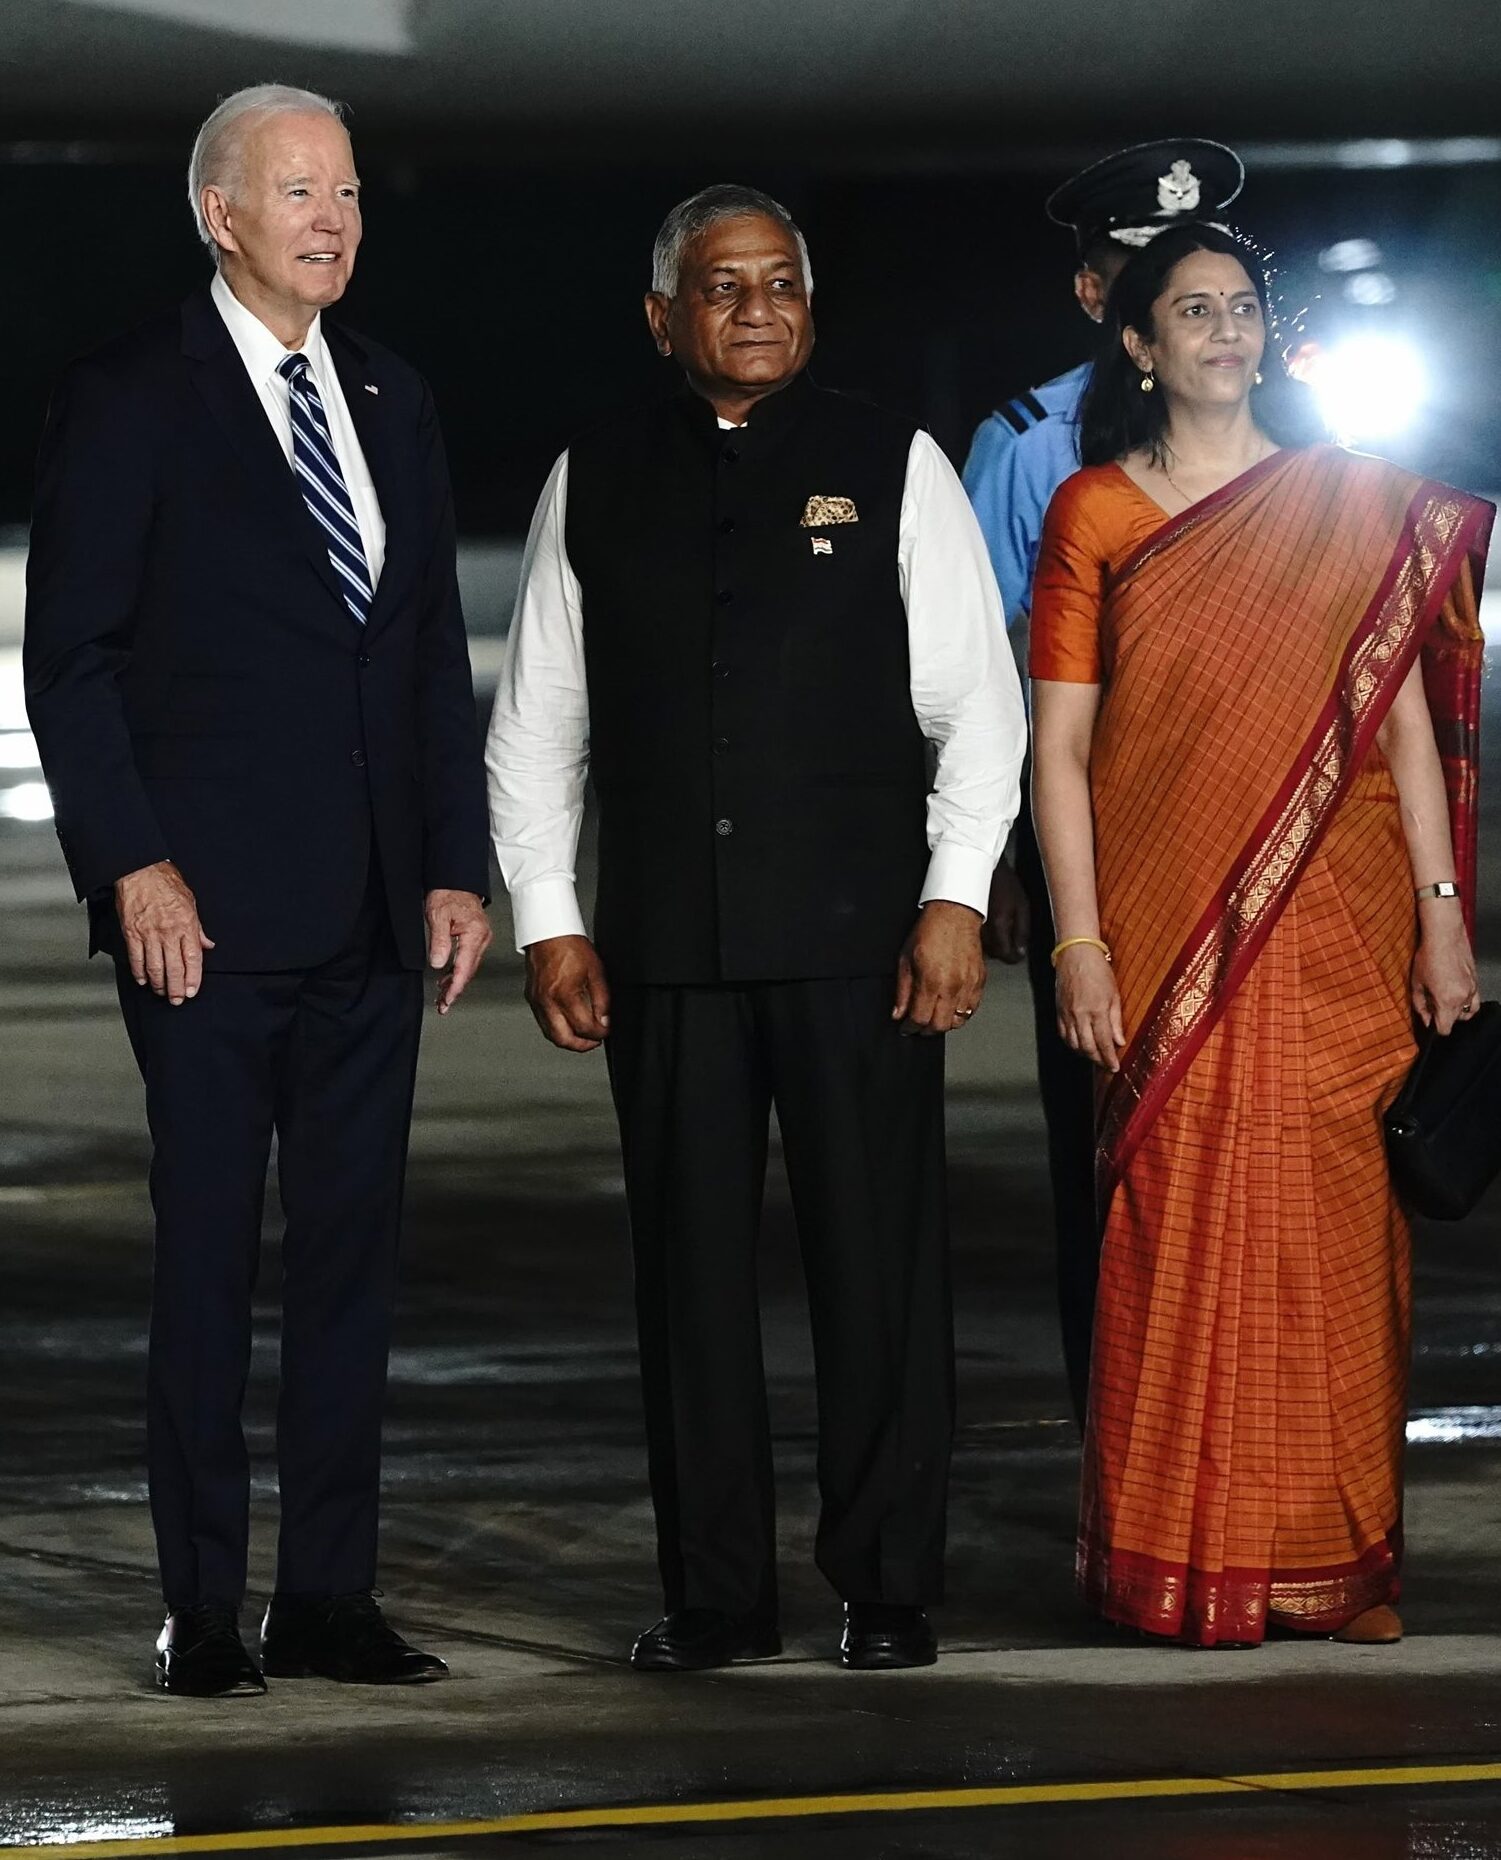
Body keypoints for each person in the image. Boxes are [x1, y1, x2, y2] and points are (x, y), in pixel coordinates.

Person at [487, 184, 1025, 1673]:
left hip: (865, 946)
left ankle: (887, 1583)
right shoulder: (592, 475)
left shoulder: (889, 461)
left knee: (880, 1276)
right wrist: (551, 916)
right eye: (720, 288)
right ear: (661, 317)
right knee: (690, 1287)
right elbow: (539, 725)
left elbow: (979, 712)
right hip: (662, 953)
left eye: (781, 282)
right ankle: (715, 1592)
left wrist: (953, 898)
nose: (757, 308)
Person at [24, 85, 492, 1696]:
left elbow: (426, 649)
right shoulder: (132, 396)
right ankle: (204, 1611)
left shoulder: (391, 394)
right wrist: (131, 860)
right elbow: (70, 658)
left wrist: (454, 865)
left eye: (350, 191)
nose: (334, 219)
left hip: (374, 922)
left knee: (352, 1270)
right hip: (201, 925)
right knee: (209, 1265)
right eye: (299, 191)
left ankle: (331, 1601)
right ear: (220, 214)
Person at [1029, 221, 1491, 1648]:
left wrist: (1442, 917)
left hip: (1345, 918)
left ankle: (1338, 1562)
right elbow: (1059, 752)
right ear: (1139, 342)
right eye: (1194, 311)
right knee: (1180, 1233)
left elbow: (1402, 726)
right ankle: (1182, 1557)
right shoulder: (1097, 513)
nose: (1223, 332)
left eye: (1242, 308)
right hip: (1169, 931)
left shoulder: (1350, 504)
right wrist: (1081, 944)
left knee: (1339, 1244)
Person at [963, 139, 1245, 1425]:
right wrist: (1005, 866)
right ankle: (1122, 1452)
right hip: (1101, 859)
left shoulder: (1284, 445)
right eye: (1152, 282)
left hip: (1260, 838)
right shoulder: (1027, 450)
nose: (1191, 311)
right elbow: (987, 674)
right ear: (1102, 303)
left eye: (1210, 284)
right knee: (1113, 1166)